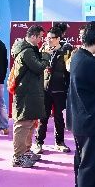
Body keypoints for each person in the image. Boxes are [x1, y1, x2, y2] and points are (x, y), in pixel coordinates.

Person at [68, 21, 95, 187]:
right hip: (91, 121)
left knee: (83, 163)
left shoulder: (78, 56)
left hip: (81, 119)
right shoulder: (89, 62)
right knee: (92, 167)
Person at [10, 25, 49, 168]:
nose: (41, 40)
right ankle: (18, 156)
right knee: (23, 124)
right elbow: (38, 67)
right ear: (33, 36)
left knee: (30, 123)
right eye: (40, 37)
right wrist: (46, 55)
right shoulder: (27, 51)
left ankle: (25, 152)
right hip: (26, 93)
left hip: (30, 92)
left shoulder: (28, 50)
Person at [34, 25, 71, 154]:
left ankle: (60, 142)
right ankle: (39, 142)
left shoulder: (66, 50)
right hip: (45, 89)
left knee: (59, 117)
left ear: (58, 39)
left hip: (60, 89)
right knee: (42, 117)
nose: (48, 40)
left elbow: (69, 69)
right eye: (47, 38)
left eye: (51, 38)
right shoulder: (43, 48)